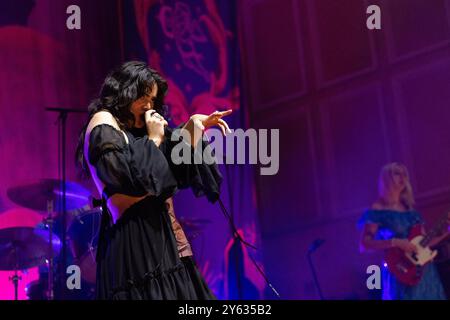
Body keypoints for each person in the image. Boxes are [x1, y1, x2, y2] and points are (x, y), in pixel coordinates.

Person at [76, 61, 232, 300]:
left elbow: (172, 169)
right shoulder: (103, 123)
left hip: (163, 241)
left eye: (152, 100)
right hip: (135, 243)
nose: (149, 106)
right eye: (143, 98)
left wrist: (192, 128)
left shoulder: (135, 132)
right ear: (126, 92)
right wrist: (154, 140)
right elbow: (136, 182)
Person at [358, 162, 450, 300]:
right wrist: (396, 242)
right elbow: (364, 244)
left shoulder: (412, 212)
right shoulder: (377, 210)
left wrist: (446, 232)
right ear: (386, 178)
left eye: (405, 174)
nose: (403, 177)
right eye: (397, 173)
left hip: (424, 272)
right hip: (400, 271)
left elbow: (425, 242)